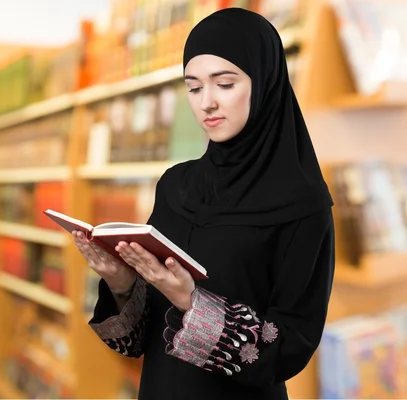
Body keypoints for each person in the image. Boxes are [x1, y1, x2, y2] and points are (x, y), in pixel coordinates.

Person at [72, 7, 335, 400]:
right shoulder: (177, 185)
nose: (206, 103)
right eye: (194, 87)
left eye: (224, 84)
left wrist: (191, 301)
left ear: (264, 82)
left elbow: (291, 346)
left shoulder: (303, 204)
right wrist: (121, 281)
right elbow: (138, 340)